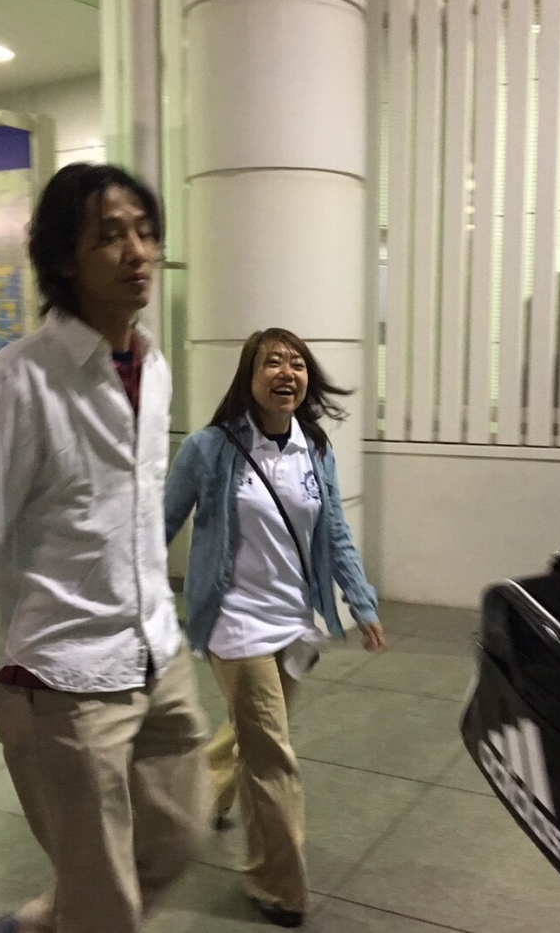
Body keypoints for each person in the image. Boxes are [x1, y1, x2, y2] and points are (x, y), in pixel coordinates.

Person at [0, 163, 210, 933]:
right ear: (64, 259)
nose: (137, 251)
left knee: (181, 830)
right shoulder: (22, 379)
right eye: (110, 235)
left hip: (156, 649)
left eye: (145, 231)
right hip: (64, 675)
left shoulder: (152, 365)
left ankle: (48, 921)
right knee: (105, 900)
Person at [164, 328, 387, 928]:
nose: (287, 373)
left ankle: (201, 797)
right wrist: (131, 601)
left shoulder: (314, 447)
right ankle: (277, 884)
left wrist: (361, 601)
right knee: (272, 757)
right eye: (273, 362)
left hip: (293, 622)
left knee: (254, 735)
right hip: (234, 622)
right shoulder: (210, 448)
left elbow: (334, 531)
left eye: (297, 363)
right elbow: (161, 521)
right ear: (249, 375)